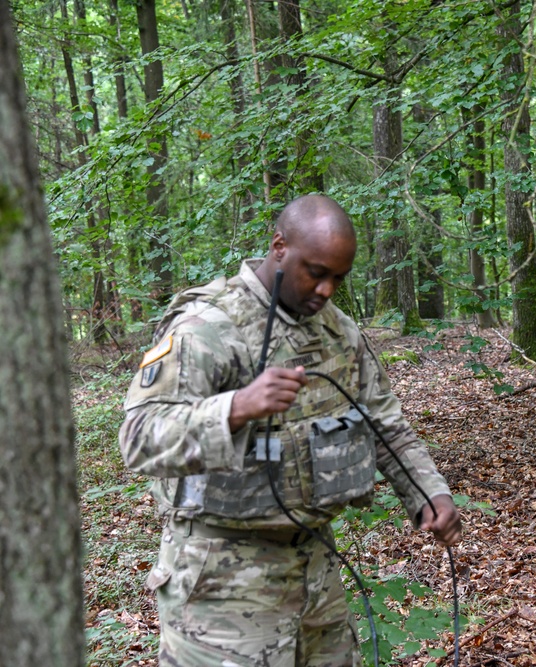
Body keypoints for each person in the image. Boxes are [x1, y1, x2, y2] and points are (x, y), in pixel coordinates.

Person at [119, 194, 462, 666]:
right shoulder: (206, 328)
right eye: (315, 272)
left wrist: (428, 493)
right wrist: (236, 408)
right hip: (222, 584)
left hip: (315, 573)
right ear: (279, 247)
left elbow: (385, 426)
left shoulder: (337, 331)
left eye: (338, 279)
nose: (325, 291)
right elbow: (138, 437)